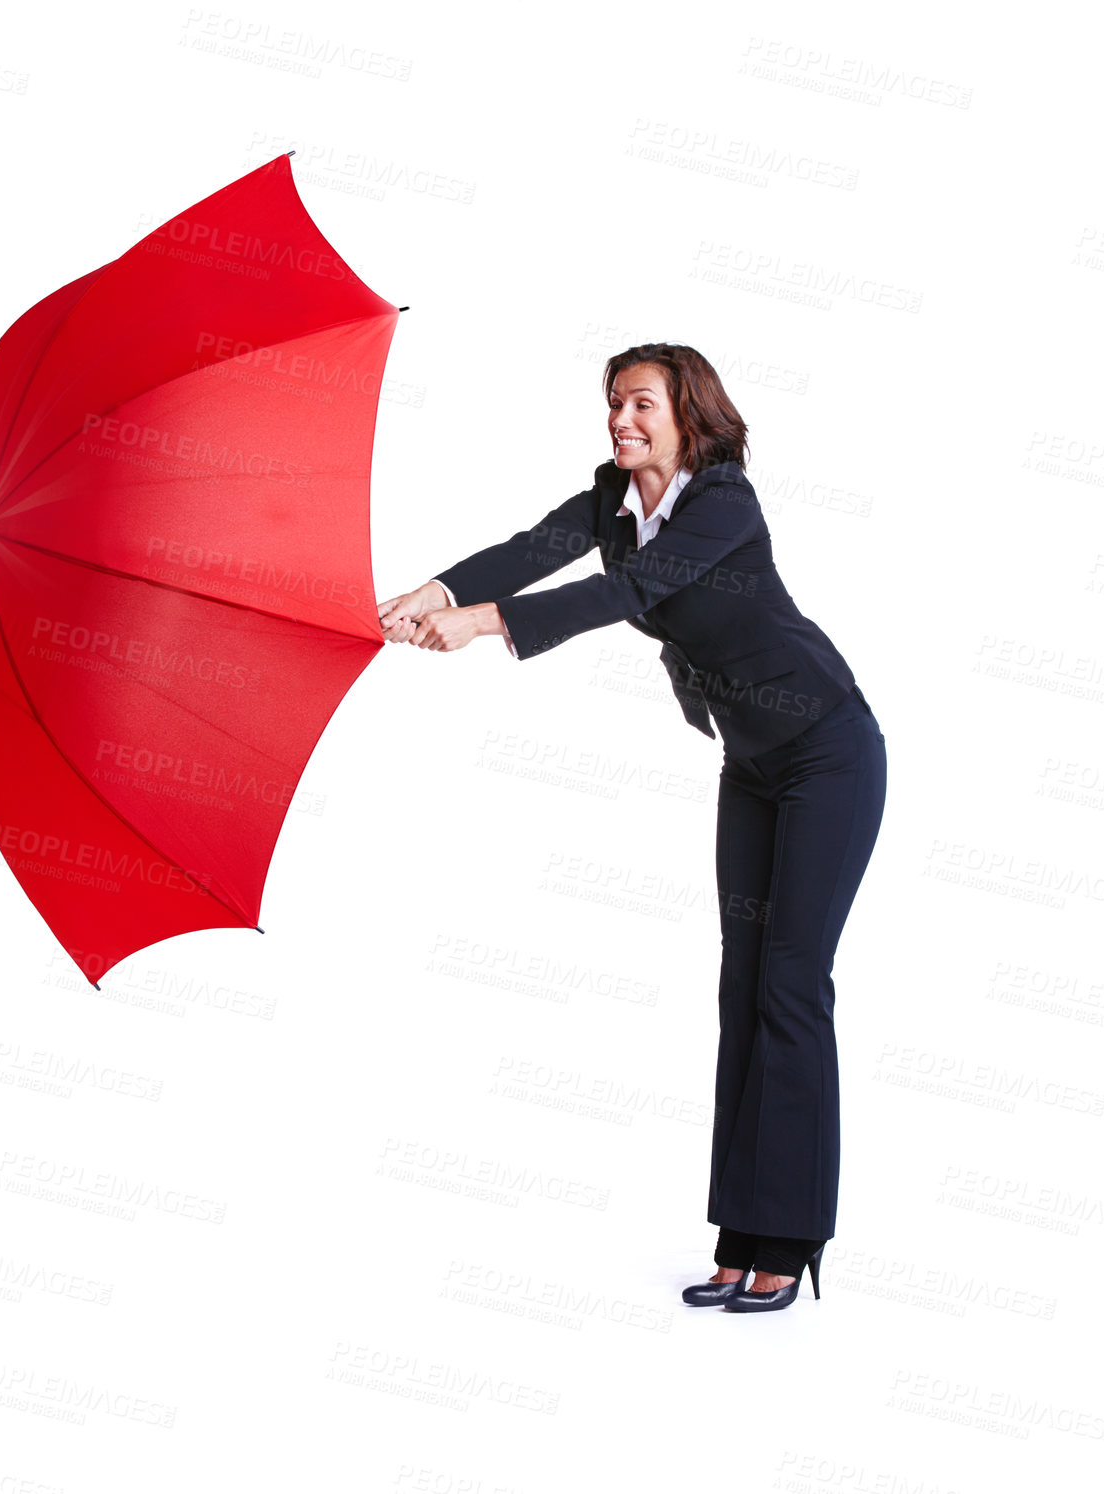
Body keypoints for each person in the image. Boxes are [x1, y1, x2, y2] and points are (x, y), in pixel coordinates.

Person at [377, 343, 887, 1313]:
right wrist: (434, 595)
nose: (622, 419)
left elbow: (628, 593)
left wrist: (486, 626)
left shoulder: (725, 501)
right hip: (753, 762)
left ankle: (790, 1239)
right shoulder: (614, 499)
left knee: (791, 984)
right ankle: (742, 1240)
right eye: (614, 404)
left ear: (688, 412)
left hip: (830, 750)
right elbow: (535, 550)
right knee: (743, 986)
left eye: (642, 403)